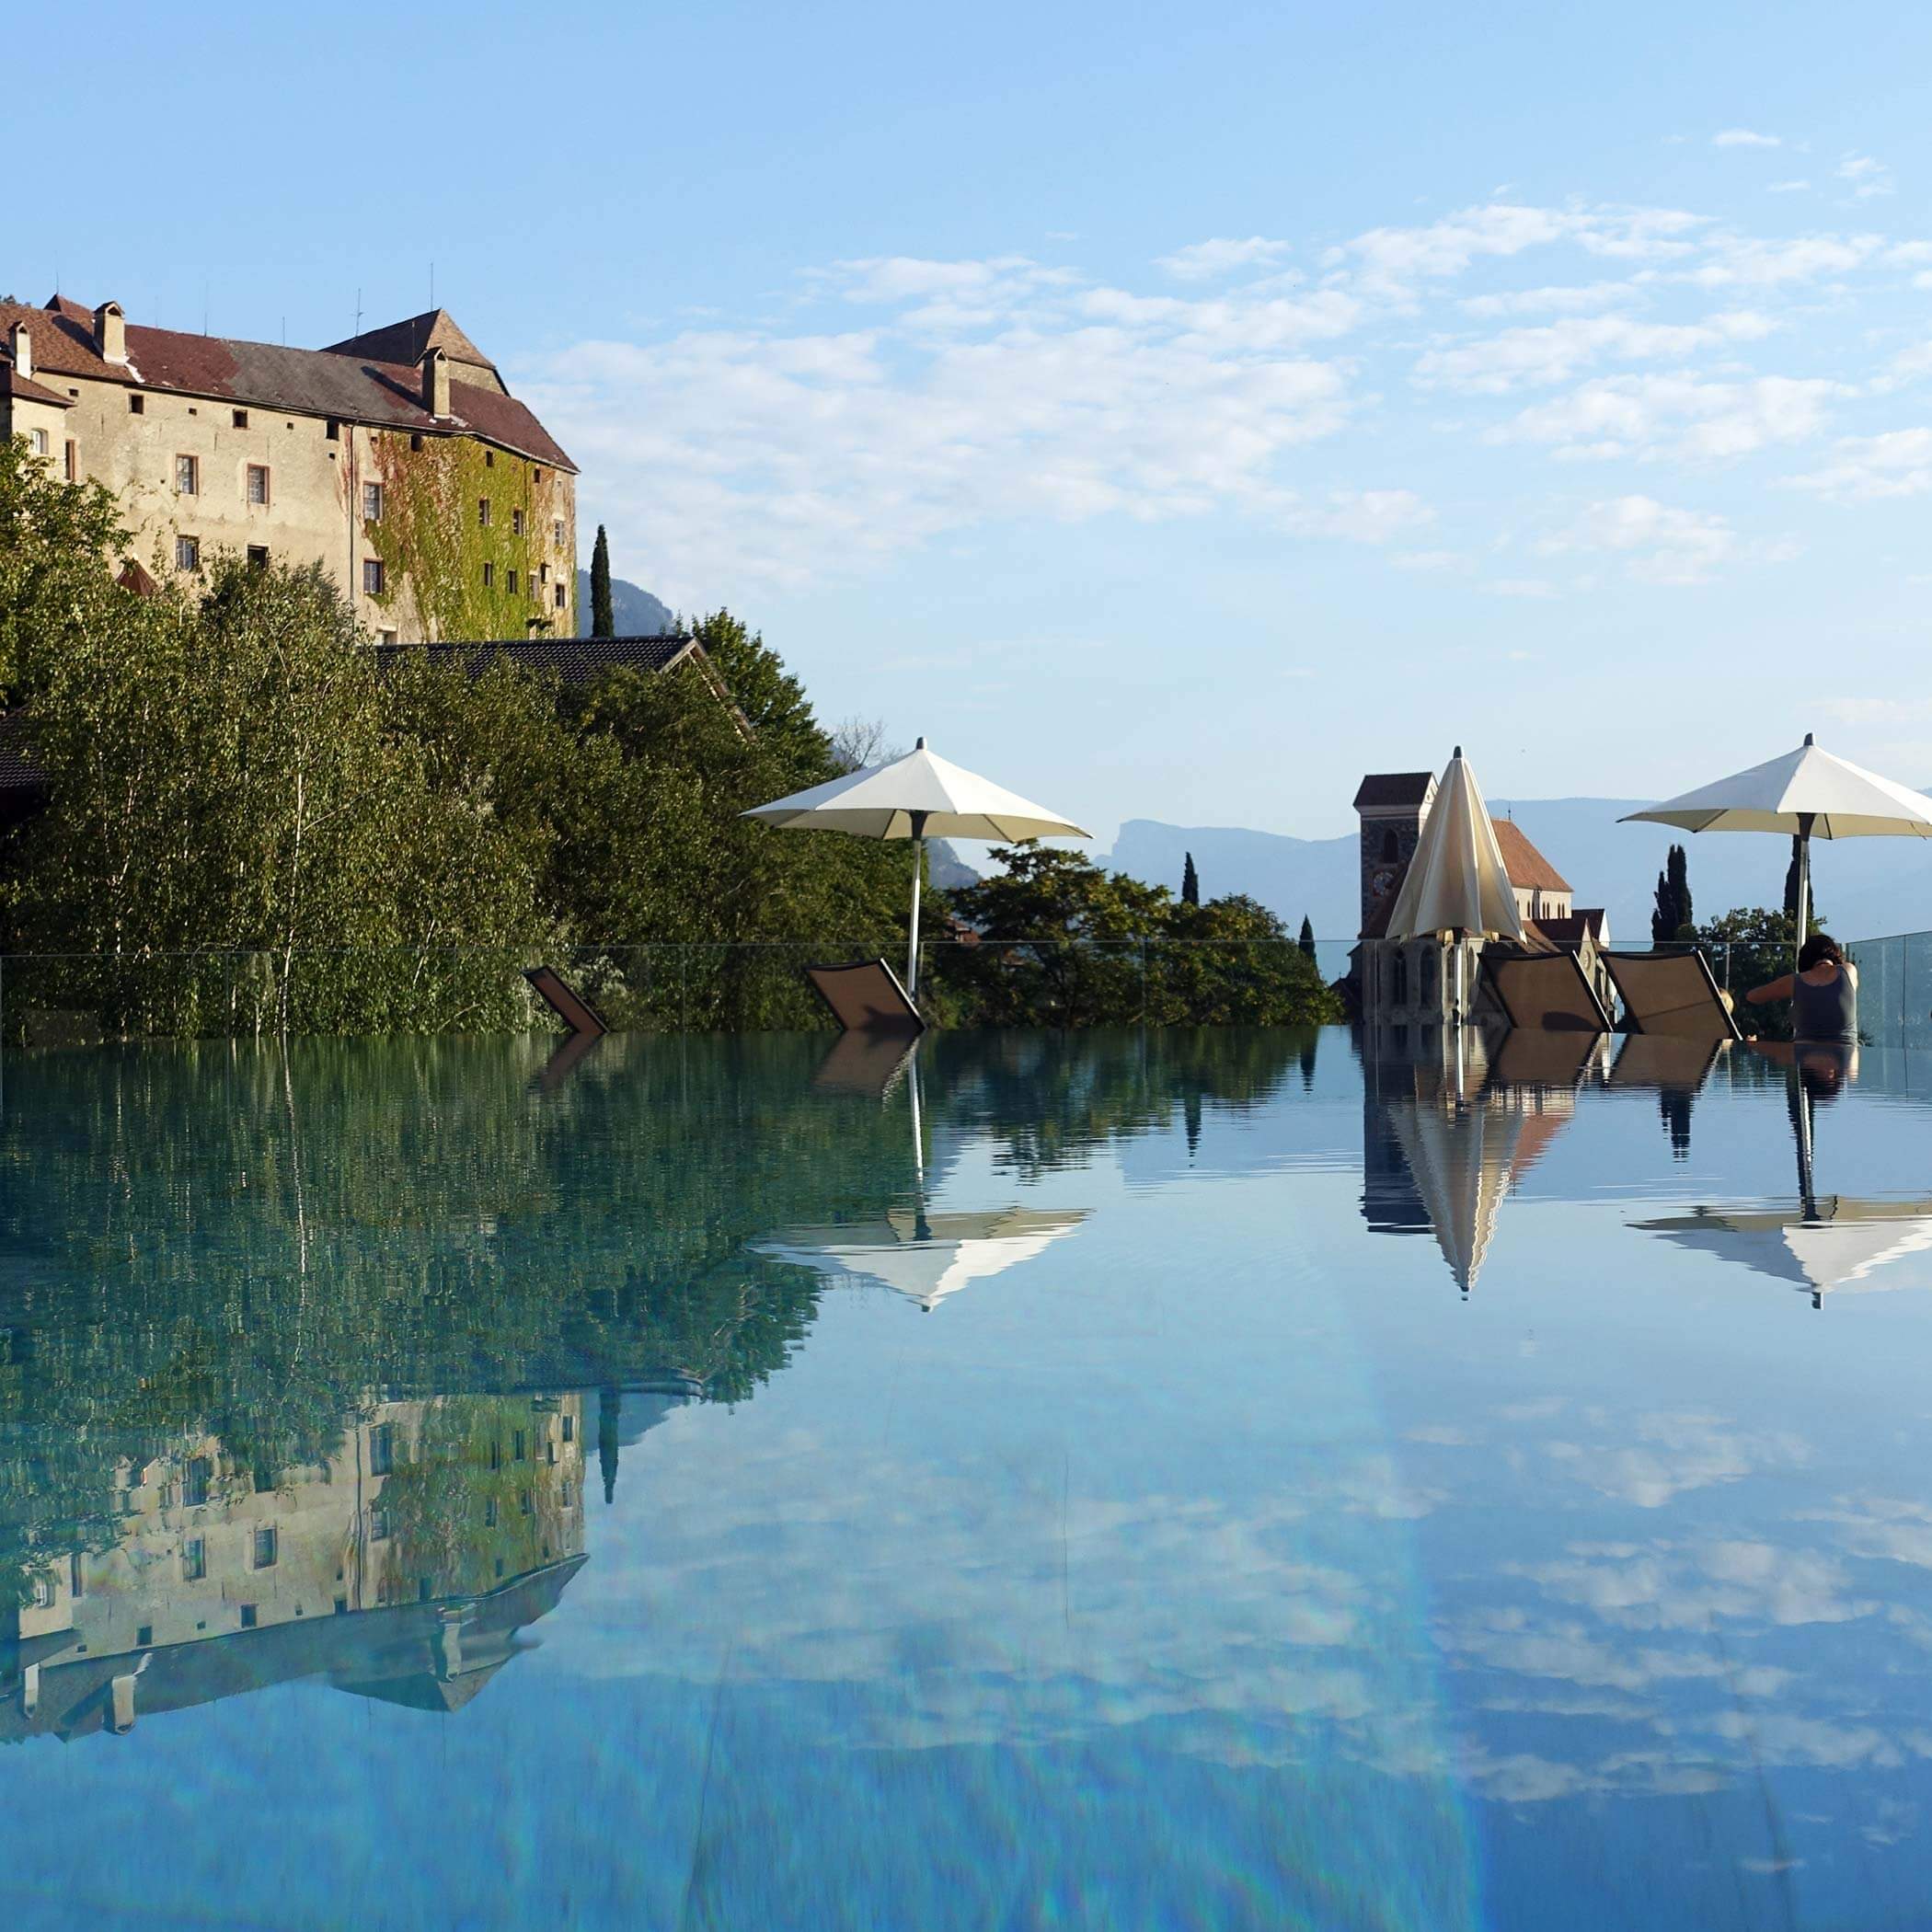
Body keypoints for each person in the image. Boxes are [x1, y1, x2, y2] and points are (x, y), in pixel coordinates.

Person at [1744, 933, 1857, 1043]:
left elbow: (1753, 996)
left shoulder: (1795, 981)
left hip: (1805, 1056)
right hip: (1845, 1057)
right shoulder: (1848, 971)